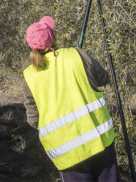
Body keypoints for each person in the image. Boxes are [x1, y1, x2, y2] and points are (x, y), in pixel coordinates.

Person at [22, 16, 120, 181]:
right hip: (99, 140)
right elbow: (104, 78)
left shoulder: (28, 76)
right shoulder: (76, 55)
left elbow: (33, 120)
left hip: (65, 152)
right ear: (53, 38)